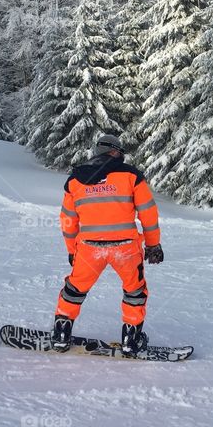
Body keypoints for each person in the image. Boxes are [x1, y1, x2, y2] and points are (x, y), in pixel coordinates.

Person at [53, 134, 164, 356]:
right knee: (135, 291)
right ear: (114, 151)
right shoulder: (131, 176)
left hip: (89, 248)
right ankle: (131, 339)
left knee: (75, 289)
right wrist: (153, 245)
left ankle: (62, 332)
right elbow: (148, 214)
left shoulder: (75, 180)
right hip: (125, 248)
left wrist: (72, 251)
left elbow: (67, 220)